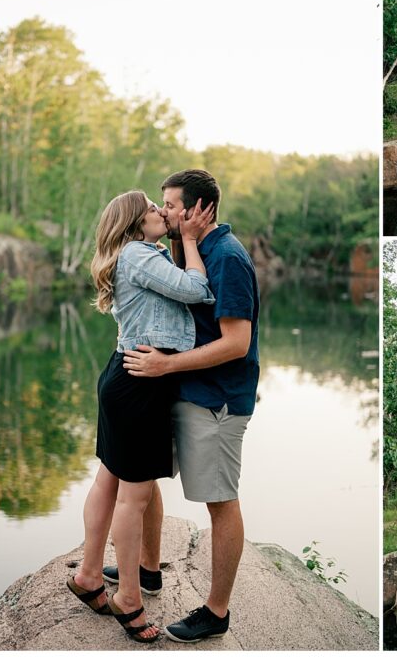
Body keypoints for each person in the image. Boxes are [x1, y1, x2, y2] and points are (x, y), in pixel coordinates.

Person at [66, 190, 214, 643]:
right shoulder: (137, 254)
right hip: (139, 385)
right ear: (134, 221)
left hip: (126, 376)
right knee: (135, 496)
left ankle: (90, 576)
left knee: (108, 480)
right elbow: (198, 290)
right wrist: (189, 239)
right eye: (152, 207)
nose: (159, 212)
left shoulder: (135, 254)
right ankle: (128, 596)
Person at [121, 169, 259, 643]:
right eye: (162, 205)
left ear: (201, 210)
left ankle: (216, 611)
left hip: (217, 400)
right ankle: (148, 569)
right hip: (182, 391)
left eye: (172, 205)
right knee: (146, 475)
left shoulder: (229, 257)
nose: (164, 212)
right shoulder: (191, 249)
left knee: (220, 502)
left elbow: (237, 343)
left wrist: (166, 367)